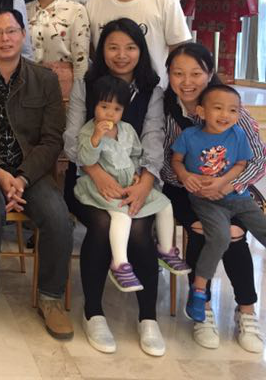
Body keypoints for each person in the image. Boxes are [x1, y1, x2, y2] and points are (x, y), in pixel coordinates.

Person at [0, 8, 72, 342]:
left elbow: (52, 140)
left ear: (23, 34)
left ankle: (51, 299)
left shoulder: (45, 80)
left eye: (11, 31)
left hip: (30, 173)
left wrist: (21, 177)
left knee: (57, 215)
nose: (5, 38)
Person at [64, 18, 167, 356]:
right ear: (101, 50)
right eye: (113, 47)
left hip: (135, 180)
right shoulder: (86, 85)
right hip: (87, 179)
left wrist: (145, 183)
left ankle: (148, 318)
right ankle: (93, 312)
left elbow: (153, 139)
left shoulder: (152, 91)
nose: (121, 55)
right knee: (102, 223)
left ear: (141, 50)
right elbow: (71, 138)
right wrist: (95, 172)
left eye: (130, 47)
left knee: (139, 229)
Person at [162, 42, 265, 352]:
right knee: (203, 230)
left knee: (234, 233)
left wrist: (227, 184)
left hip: (232, 187)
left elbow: (256, 159)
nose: (187, 82)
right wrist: (187, 178)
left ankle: (246, 309)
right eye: (178, 73)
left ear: (209, 74)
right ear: (168, 75)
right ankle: (202, 309)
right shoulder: (165, 110)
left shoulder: (230, 107)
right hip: (183, 188)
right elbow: (163, 161)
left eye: (196, 73)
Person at [74, 75, 189, 293]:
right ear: (94, 106)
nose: (110, 113)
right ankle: (119, 264)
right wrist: (96, 138)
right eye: (104, 107)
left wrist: (137, 173)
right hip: (99, 186)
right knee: (121, 216)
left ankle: (165, 250)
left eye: (116, 109)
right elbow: (85, 159)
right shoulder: (89, 131)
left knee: (165, 204)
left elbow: (136, 154)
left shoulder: (127, 129)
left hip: (128, 183)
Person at [25, 0, 90, 99]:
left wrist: (78, 100)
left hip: (63, 91)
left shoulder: (76, 10)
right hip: (28, 87)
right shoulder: (23, 10)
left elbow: (81, 62)